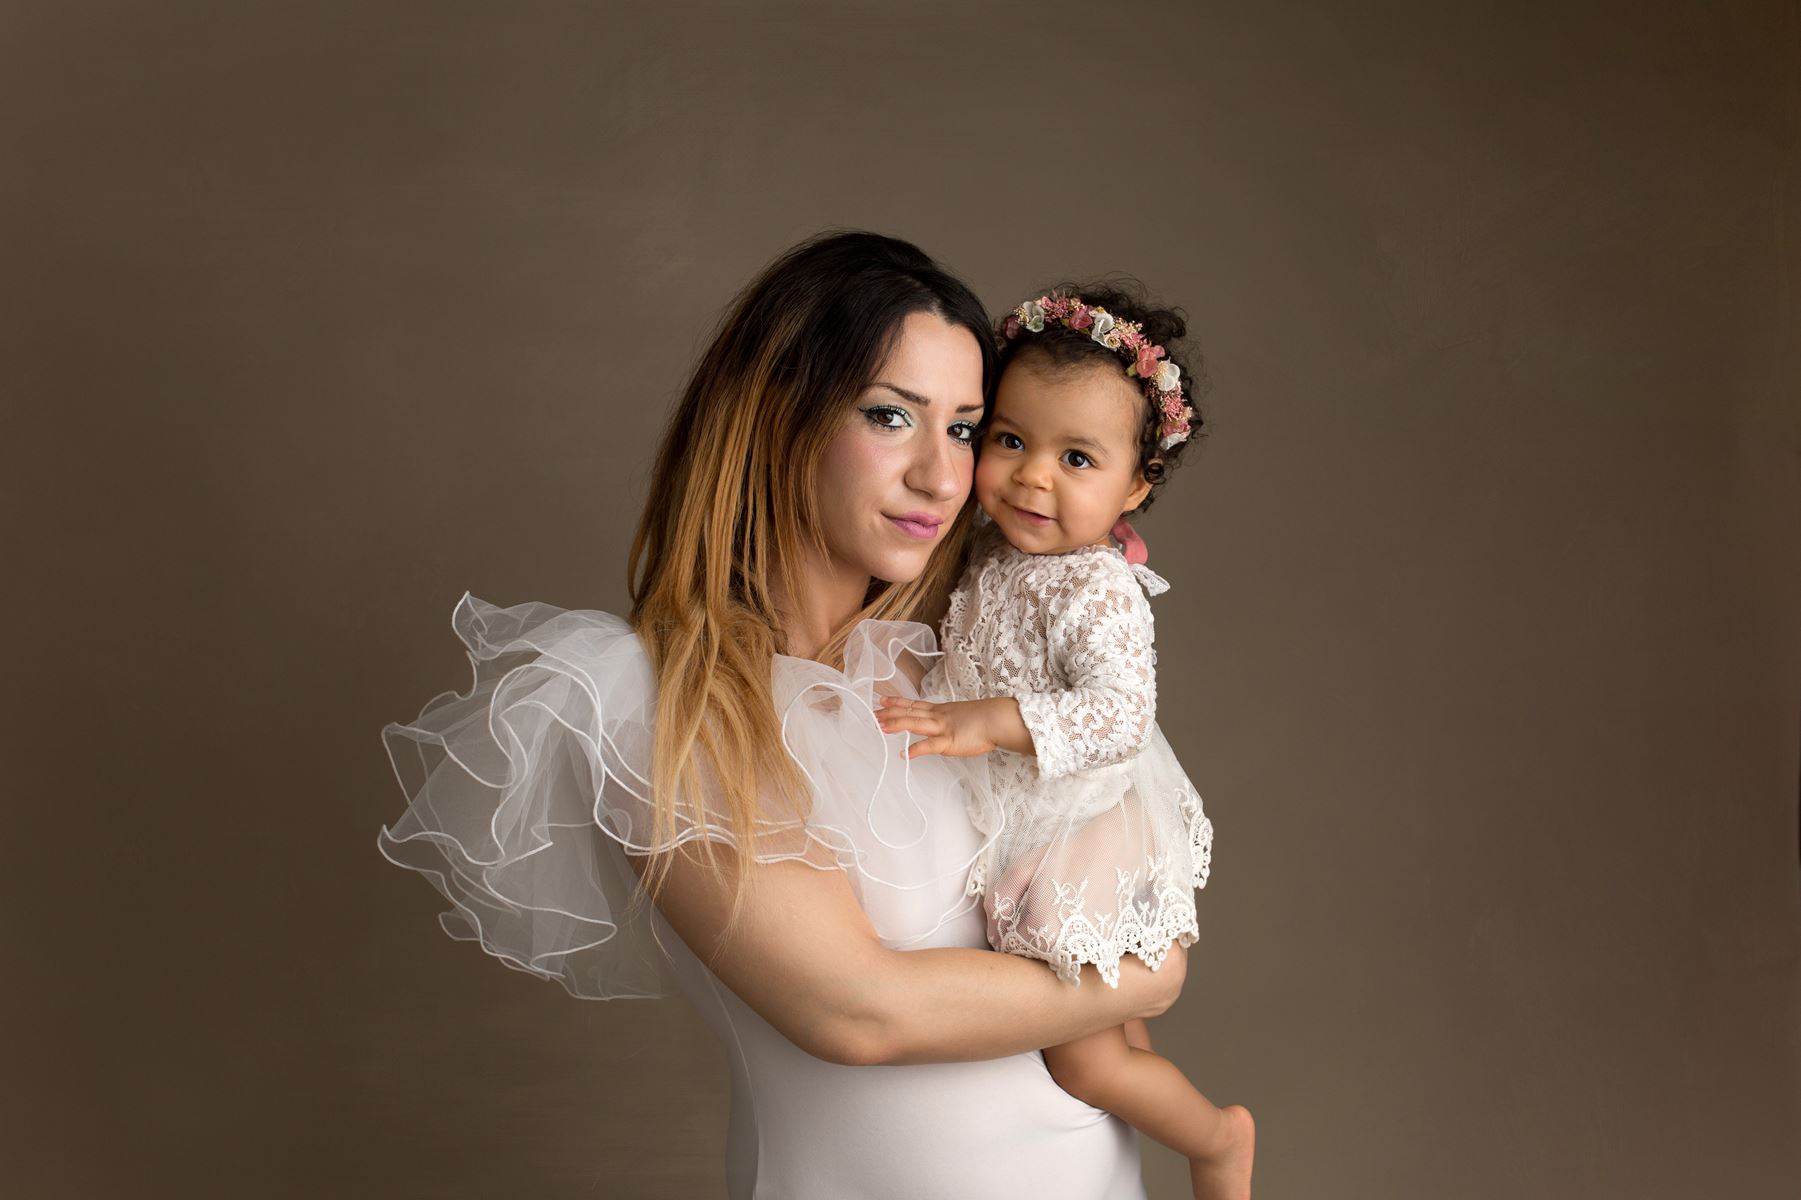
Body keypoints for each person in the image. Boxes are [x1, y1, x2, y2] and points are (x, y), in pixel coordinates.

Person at [375, 231, 1192, 1198]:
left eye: (967, 430)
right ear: (776, 417)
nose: (941, 477)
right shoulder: (660, 701)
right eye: (890, 415)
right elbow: (855, 1012)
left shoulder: (971, 658)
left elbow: (1109, 887)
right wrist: (1146, 979)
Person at [875, 285, 1255, 1199]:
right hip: (1026, 814)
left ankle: (1216, 1140)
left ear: (1134, 487)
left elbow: (1119, 715)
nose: (1032, 477)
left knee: (1083, 1060)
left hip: (1078, 828)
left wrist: (985, 720)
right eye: (1009, 440)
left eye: (1076, 458)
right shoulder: (986, 546)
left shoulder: (1095, 586)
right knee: (1110, 1037)